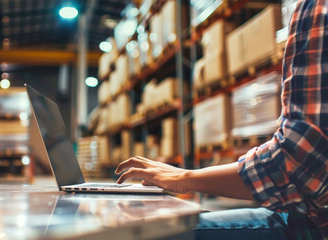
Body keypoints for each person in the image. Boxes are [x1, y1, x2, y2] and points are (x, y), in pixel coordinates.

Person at [115, 0, 328, 239]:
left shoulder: (317, 7)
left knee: (147, 232)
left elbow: (297, 164)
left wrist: (184, 178)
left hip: (315, 225)